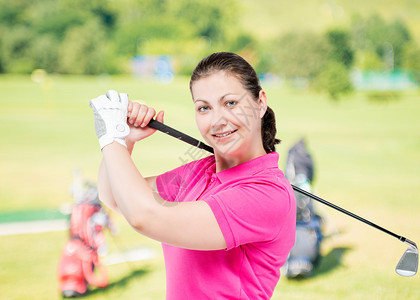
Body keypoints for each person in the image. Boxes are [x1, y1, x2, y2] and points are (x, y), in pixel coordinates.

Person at [89, 52, 296, 299]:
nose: (217, 120)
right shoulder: (201, 171)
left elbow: (144, 216)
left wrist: (110, 137)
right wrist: (125, 140)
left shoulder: (267, 194)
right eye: (204, 108)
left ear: (260, 103)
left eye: (230, 103)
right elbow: (114, 195)